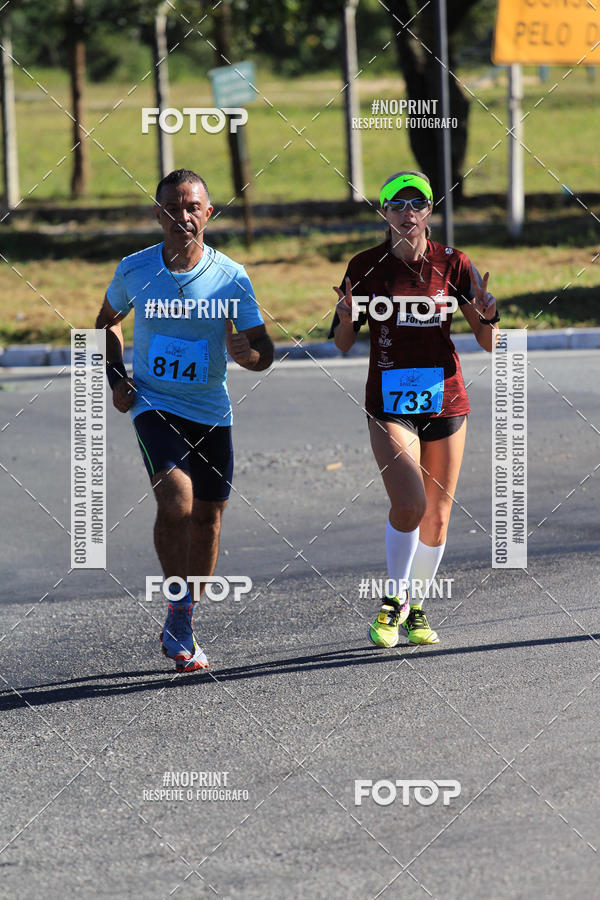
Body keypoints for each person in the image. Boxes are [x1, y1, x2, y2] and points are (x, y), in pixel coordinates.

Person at [96, 168, 273, 672]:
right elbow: (104, 322)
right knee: (177, 500)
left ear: (208, 214)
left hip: (211, 409)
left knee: (210, 517)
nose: (183, 216)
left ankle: (184, 615)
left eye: (193, 206)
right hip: (155, 403)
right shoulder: (135, 270)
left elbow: (263, 347)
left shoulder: (232, 276)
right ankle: (177, 607)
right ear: (158, 214)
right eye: (173, 207)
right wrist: (117, 379)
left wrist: (250, 355)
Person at [330, 170, 499, 648]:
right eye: (397, 204)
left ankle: (416, 607)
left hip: (445, 397)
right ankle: (393, 600)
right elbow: (343, 344)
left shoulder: (454, 263)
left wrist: (487, 315)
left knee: (438, 516)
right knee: (410, 503)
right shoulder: (365, 266)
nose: (408, 212)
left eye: (416, 204)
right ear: (384, 213)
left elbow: (489, 343)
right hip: (389, 401)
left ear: (429, 210)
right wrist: (345, 319)